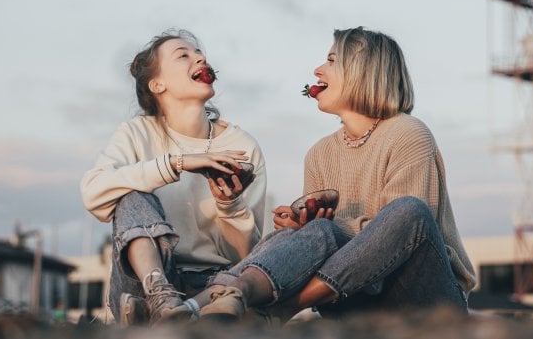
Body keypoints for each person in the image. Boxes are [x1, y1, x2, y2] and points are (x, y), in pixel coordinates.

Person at [196, 26, 476, 322]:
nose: (317, 70)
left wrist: (331, 228)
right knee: (314, 232)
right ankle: (223, 295)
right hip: (354, 298)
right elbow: (321, 237)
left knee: (409, 210)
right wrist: (300, 225)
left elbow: (404, 233)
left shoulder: (409, 133)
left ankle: (283, 308)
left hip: (421, 295)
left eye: (331, 60)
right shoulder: (319, 154)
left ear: (364, 71)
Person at [80, 29, 267, 326]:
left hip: (214, 286)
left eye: (199, 53)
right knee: (130, 194)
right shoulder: (136, 133)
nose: (200, 57)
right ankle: (161, 299)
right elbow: (93, 193)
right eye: (184, 55)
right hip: (141, 287)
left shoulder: (242, 146)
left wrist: (230, 205)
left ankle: (187, 310)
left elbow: (247, 256)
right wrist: (176, 164)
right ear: (157, 84)